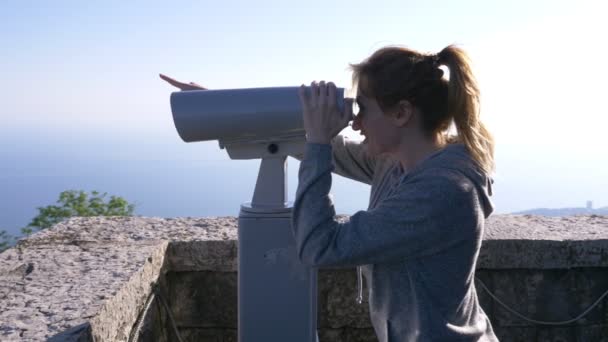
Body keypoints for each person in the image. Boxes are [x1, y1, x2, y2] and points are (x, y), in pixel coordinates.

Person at [160, 44, 498, 341]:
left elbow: (319, 246)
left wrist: (318, 140)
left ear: (401, 113)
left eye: (363, 108)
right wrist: (221, 109)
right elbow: (326, 150)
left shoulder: (442, 193)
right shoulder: (396, 163)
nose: (355, 122)